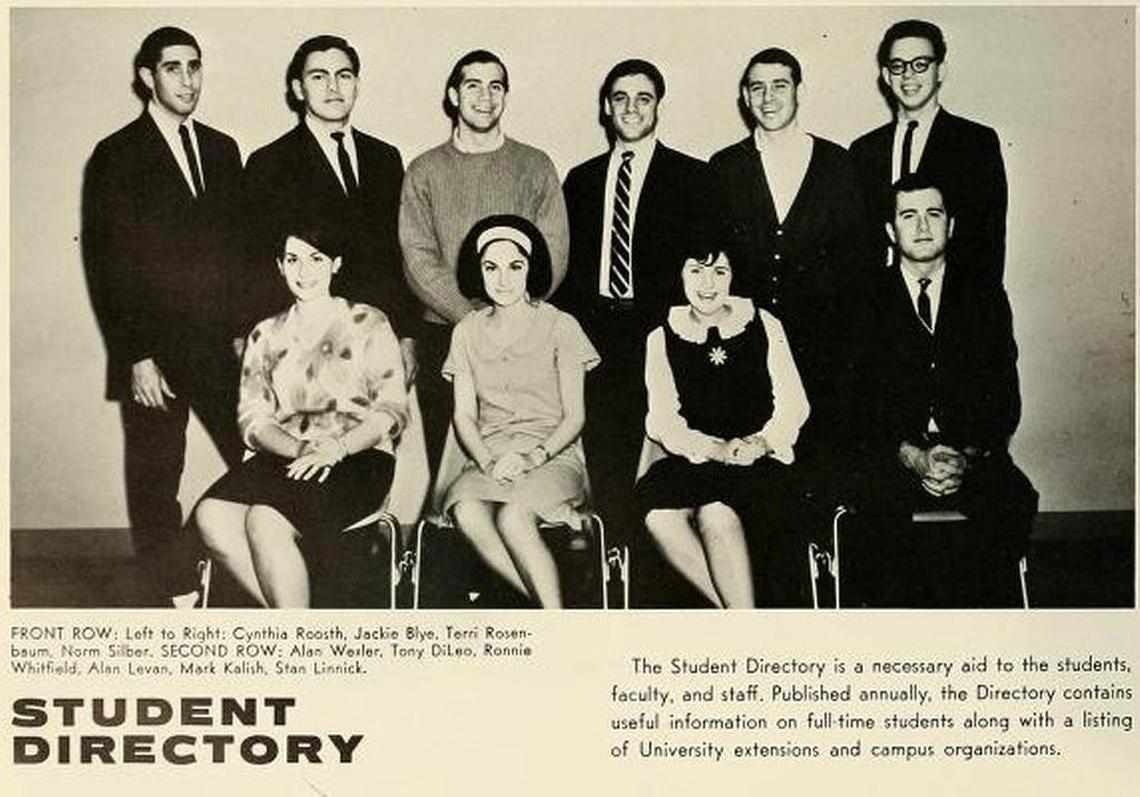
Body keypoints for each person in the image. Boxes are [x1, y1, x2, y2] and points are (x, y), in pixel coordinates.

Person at [81, 26, 244, 603]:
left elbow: (238, 252)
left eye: (195, 66)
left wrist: (245, 334)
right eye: (174, 68)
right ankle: (170, 595)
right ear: (148, 77)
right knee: (155, 479)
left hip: (221, 347)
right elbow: (108, 264)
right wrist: (137, 357)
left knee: (259, 455)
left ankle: (225, 561)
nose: (188, 79)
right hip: (153, 352)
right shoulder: (117, 154)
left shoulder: (224, 149)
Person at [845, 175, 1036, 607]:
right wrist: (912, 455)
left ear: (951, 225)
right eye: (908, 216)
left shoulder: (984, 296)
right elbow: (850, 403)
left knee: (1012, 503)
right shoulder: (860, 297)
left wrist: (962, 457)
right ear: (890, 231)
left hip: (969, 456)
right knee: (875, 523)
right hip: (889, 456)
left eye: (934, 214)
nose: (923, 227)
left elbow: (1003, 395)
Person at [194, 225, 407, 608]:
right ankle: (300, 616)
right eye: (293, 259)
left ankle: (298, 631)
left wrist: (336, 448)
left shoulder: (369, 322)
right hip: (288, 455)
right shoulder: (264, 333)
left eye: (316, 258)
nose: (304, 271)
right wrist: (300, 448)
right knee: (211, 515)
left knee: (265, 520)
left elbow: (391, 410)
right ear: (280, 265)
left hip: (358, 456)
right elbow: (253, 421)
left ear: (336, 264)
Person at [556, 59, 718, 552]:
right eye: (620, 98)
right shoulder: (580, 180)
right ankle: (614, 574)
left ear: (658, 107)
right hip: (598, 335)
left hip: (662, 336)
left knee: (664, 464)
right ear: (606, 108)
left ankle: (656, 583)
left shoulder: (693, 176)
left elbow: (705, 269)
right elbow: (567, 268)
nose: (631, 108)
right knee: (607, 464)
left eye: (643, 98)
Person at [400, 49, 570, 476]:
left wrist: (513, 316)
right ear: (453, 96)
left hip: (526, 339)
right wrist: (471, 318)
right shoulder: (424, 170)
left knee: (523, 461)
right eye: (473, 85)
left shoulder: (535, 165)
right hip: (447, 334)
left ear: (506, 96)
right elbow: (417, 256)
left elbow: (553, 250)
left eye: (496, 86)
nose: (484, 97)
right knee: (454, 467)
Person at [708, 48, 869, 459]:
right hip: (750, 348)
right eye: (757, 88)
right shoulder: (724, 168)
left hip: (824, 352)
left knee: (818, 463)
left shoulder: (838, 164)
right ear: (744, 97)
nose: (768, 98)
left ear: (799, 91)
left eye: (779, 86)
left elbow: (857, 267)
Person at [636, 242, 809, 608]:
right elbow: (664, 421)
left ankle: (740, 622)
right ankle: (742, 617)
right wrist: (715, 449)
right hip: (698, 459)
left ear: (735, 275)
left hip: (758, 461)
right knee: (659, 518)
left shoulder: (763, 322)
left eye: (720, 271)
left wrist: (760, 443)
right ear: (679, 275)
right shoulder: (662, 335)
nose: (708, 283)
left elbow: (794, 403)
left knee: (716, 513)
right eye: (696, 270)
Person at [439, 215, 598, 609]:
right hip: (490, 459)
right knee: (468, 512)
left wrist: (533, 456)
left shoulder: (561, 325)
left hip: (552, 456)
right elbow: (464, 416)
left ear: (532, 268)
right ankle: (555, 608)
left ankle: (554, 623)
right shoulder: (466, 331)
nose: (503, 279)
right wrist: (489, 462)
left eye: (515, 266)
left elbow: (575, 417)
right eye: (491, 267)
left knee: (513, 518)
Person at [240, 35, 416, 371]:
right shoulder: (269, 163)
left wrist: (407, 335)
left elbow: (399, 252)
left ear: (357, 84)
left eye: (344, 75)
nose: (333, 86)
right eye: (319, 76)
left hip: (379, 341)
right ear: (298, 88)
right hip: (306, 348)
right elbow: (257, 262)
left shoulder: (385, 157)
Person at [850, 19, 1008, 284]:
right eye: (898, 66)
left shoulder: (976, 143)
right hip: (878, 311)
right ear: (887, 76)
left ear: (941, 71)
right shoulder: (863, 150)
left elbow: (987, 245)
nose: (908, 75)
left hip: (954, 310)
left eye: (920, 64)